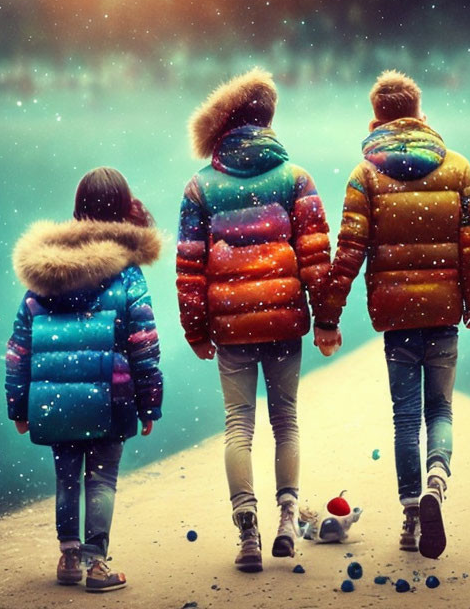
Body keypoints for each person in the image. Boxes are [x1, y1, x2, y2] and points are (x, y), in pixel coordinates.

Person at [316, 69, 470, 559]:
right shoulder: (458, 168)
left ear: (376, 120)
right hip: (444, 313)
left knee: (403, 417)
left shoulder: (364, 174)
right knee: (441, 410)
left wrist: (327, 318)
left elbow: (348, 250)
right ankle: (438, 475)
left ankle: (412, 515)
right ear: (421, 115)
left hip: (397, 319)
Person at [176, 68, 335, 572]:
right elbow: (315, 258)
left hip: (230, 327)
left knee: (237, 427)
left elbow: (189, 267)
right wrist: (326, 319)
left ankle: (247, 531)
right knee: (285, 421)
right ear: (268, 121)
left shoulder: (200, 187)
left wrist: (196, 328)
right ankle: (289, 519)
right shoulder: (295, 179)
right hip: (286, 321)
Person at [6, 167, 163, 592]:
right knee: (102, 478)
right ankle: (97, 565)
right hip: (110, 394)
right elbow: (143, 342)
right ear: (123, 209)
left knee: (67, 476)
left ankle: (68, 557)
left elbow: (19, 347)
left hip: (53, 396)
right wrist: (150, 401)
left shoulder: (44, 272)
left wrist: (18, 404)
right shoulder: (127, 273)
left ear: (78, 209)